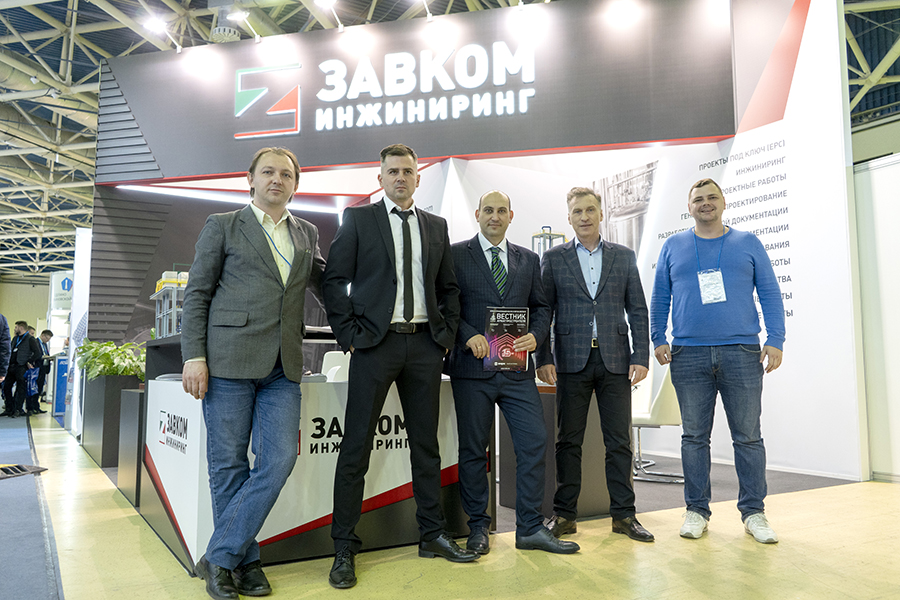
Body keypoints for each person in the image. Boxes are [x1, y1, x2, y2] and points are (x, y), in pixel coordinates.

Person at [322, 143, 474, 590]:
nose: (401, 177)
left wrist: (444, 337)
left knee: (426, 447)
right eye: (393, 171)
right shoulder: (358, 220)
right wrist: (349, 335)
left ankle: (432, 535)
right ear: (381, 178)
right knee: (355, 448)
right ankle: (344, 547)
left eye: (407, 171)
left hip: (424, 347)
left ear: (418, 179)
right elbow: (334, 280)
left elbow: (448, 288)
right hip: (375, 346)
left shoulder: (435, 226)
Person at [181, 147, 326, 600]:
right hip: (227, 361)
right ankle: (246, 562)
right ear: (251, 179)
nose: (277, 180)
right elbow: (197, 293)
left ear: (295, 184)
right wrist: (193, 355)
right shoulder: (223, 225)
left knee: (279, 460)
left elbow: (326, 287)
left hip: (283, 366)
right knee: (228, 465)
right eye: (268, 172)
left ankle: (220, 557)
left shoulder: (306, 233)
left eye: (286, 174)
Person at [650, 178, 784, 544]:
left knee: (748, 437)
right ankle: (696, 510)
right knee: (694, 437)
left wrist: (776, 339)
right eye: (698, 199)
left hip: (741, 351)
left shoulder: (748, 243)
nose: (705, 203)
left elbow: (770, 292)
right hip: (688, 353)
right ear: (689, 207)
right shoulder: (673, 245)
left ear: (723, 203)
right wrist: (658, 337)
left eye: (712, 197)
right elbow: (660, 296)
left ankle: (754, 513)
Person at [449, 190, 579, 555]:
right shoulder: (456, 255)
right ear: (478, 214)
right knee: (474, 450)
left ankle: (530, 528)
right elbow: (446, 306)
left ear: (511, 216)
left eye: (501, 210)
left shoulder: (528, 259)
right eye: (488, 210)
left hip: (517, 371)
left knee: (534, 442)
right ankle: (478, 527)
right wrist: (467, 334)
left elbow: (541, 306)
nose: (495, 216)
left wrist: (536, 335)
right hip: (472, 370)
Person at [536, 187, 654, 543]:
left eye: (590, 210)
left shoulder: (624, 256)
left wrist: (641, 355)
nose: (584, 217)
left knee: (619, 442)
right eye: (577, 212)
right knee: (567, 442)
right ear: (569, 217)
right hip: (570, 361)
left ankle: (624, 515)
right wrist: (543, 357)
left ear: (601, 214)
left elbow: (637, 309)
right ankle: (564, 515)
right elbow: (544, 311)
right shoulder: (554, 259)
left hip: (615, 360)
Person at [2, 321, 42, 418]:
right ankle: (9, 408)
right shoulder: (15, 338)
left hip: (21, 366)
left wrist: (29, 361)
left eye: (16, 327)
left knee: (20, 389)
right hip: (12, 366)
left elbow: (37, 353)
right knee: (6, 387)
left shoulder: (30, 339)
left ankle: (18, 409)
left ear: (21, 328)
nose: (14, 329)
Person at [25, 329, 52, 415]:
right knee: (32, 388)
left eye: (49, 339)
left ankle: (36, 407)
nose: (47, 340)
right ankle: (30, 407)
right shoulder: (35, 342)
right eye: (47, 338)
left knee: (39, 388)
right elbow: (35, 354)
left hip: (43, 368)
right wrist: (42, 357)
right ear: (42, 335)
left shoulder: (45, 344)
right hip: (35, 367)